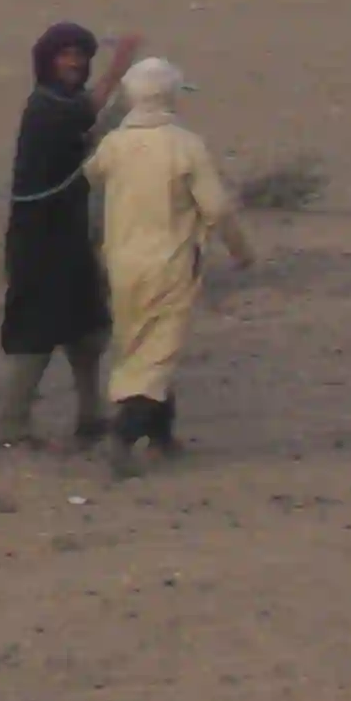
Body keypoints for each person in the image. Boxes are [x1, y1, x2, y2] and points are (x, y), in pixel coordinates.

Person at [86, 57, 254, 477]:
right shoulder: (186, 145)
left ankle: (162, 436)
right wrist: (242, 252)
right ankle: (124, 435)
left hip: (122, 263)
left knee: (138, 347)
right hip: (171, 264)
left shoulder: (114, 146)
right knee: (156, 354)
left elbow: (87, 177)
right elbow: (217, 208)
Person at [0, 18, 138, 449]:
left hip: (71, 236)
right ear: (48, 60)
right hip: (39, 242)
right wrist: (121, 64)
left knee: (87, 330)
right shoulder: (46, 107)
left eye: (80, 55)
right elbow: (89, 115)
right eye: (66, 55)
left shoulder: (65, 102)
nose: (74, 63)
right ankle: (12, 427)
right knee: (36, 334)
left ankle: (90, 416)